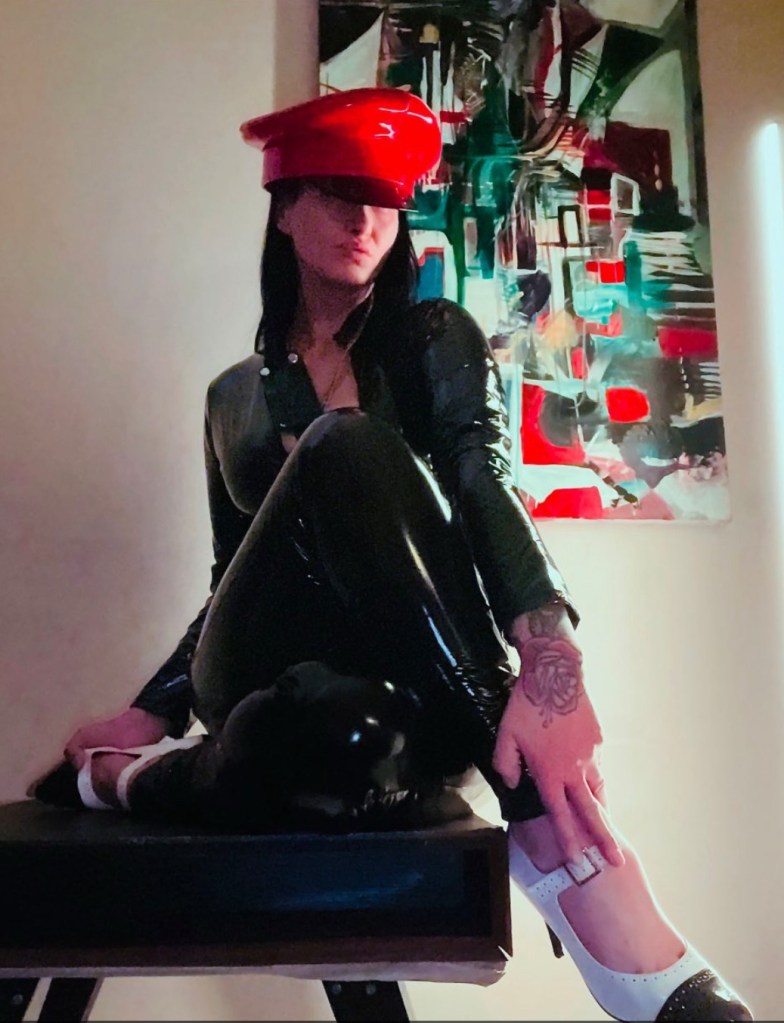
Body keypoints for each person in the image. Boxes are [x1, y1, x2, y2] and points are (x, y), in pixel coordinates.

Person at [33, 88, 751, 1022]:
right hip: (256, 666)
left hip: (406, 687)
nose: (365, 220)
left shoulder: (431, 338)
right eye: (338, 194)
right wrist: (151, 705)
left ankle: (131, 784)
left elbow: (483, 477)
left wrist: (550, 656)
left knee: (352, 734)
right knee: (342, 444)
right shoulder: (231, 398)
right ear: (284, 210)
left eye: (384, 199)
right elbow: (229, 576)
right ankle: (554, 845)